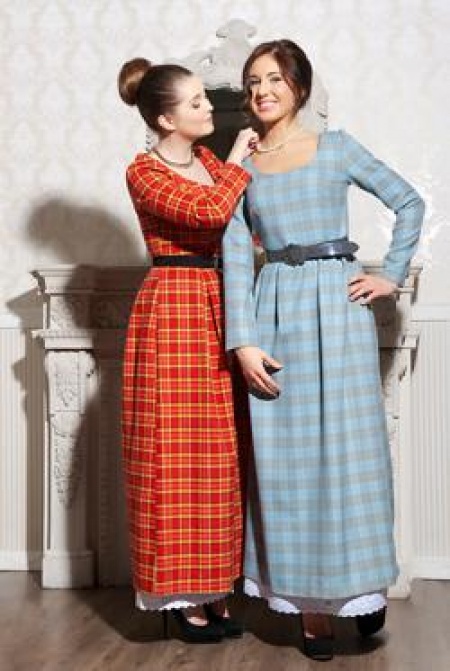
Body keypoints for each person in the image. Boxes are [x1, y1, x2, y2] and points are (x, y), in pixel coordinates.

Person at [222, 39, 425, 661]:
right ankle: (312, 610)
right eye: (253, 81)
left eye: (274, 79)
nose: (261, 91)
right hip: (274, 310)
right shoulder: (242, 166)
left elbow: (409, 200)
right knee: (285, 462)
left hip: (337, 312)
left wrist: (391, 273)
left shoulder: (336, 147)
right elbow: (236, 254)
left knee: (350, 456)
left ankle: (359, 588)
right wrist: (243, 340)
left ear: (300, 88)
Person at [118, 57, 258, 643]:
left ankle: (214, 588)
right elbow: (208, 211)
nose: (208, 108)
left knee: (220, 453)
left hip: (218, 301)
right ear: (164, 118)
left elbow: (239, 223)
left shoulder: (208, 162)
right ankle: (180, 597)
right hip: (172, 305)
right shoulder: (143, 170)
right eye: (196, 101)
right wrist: (239, 162)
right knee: (172, 454)